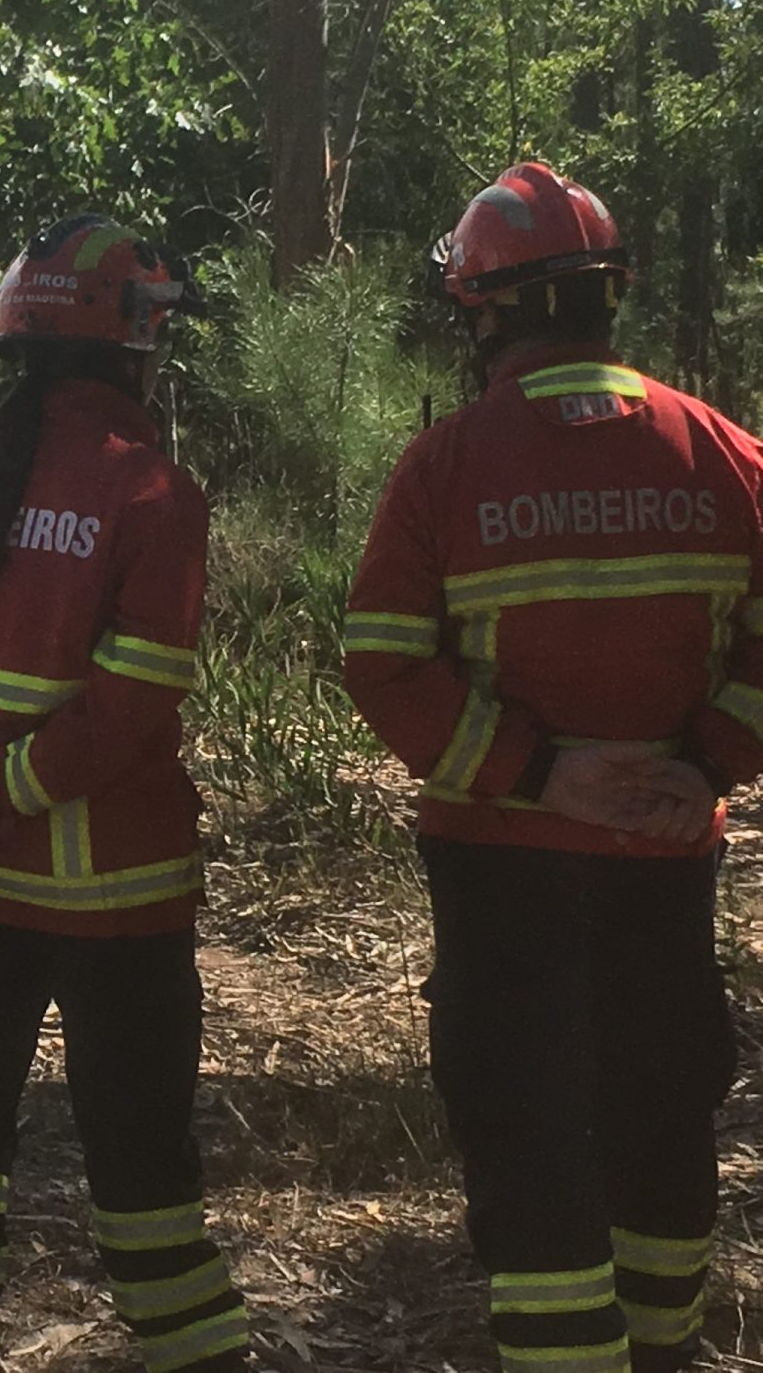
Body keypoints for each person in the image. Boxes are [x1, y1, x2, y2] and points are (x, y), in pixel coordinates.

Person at [344, 162, 754, 1373]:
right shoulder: (726, 452)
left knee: (525, 1129)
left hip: (502, 864)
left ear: (486, 312)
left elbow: (382, 661)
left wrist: (539, 777)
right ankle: (664, 1350)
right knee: (663, 1112)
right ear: (606, 297)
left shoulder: (447, 466)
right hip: (667, 858)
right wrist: (704, 761)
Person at [0, 215, 249, 1373]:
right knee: (140, 1161)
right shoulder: (152, 496)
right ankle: (194, 1354)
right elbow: (133, 702)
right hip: (117, 899)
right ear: (132, 347)